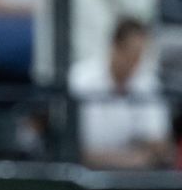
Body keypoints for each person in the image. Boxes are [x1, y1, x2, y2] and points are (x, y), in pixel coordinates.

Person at [69, 17, 174, 170]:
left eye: (140, 55)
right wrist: (130, 157)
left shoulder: (148, 84)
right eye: (130, 53)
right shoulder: (80, 79)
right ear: (115, 46)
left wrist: (148, 151)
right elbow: (77, 149)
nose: (135, 62)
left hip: (134, 176)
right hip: (83, 172)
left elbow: (159, 146)